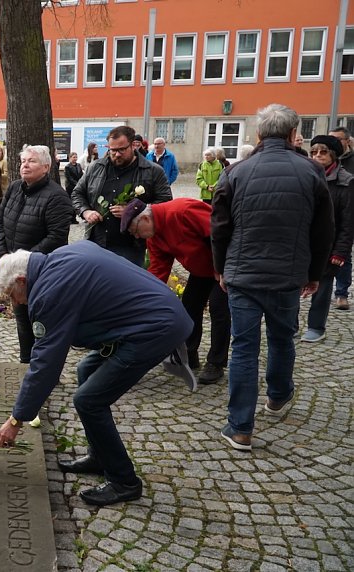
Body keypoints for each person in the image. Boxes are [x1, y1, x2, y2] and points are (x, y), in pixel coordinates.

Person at [0, 242, 193, 506]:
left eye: (11, 295)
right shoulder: (60, 258)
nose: (15, 303)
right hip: (153, 315)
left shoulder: (49, 292)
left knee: (89, 401)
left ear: (21, 279)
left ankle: (125, 481)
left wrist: (16, 420)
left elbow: (46, 365)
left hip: (154, 328)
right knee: (86, 369)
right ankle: (100, 456)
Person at [211, 103, 334, 452]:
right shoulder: (311, 171)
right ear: (295, 135)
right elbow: (323, 230)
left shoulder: (236, 171)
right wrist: (314, 274)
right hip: (287, 275)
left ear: (259, 134)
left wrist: (220, 268)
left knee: (244, 348)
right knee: (282, 339)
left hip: (243, 275)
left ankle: (240, 427)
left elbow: (219, 227)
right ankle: (278, 396)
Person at [122, 197, 231, 382]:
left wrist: (220, 269)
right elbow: (158, 271)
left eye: (135, 231)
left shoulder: (183, 211)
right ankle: (189, 353)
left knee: (218, 310)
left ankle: (216, 362)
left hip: (223, 264)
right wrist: (146, 300)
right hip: (201, 270)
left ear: (145, 219)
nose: (137, 237)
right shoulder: (154, 236)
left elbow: (219, 235)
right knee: (188, 308)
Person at [0, 145, 73, 364]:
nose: (25, 165)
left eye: (32, 161)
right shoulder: (15, 188)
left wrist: (23, 263)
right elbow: (0, 221)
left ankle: (44, 368)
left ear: (46, 167)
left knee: (41, 323)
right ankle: (26, 362)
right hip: (14, 269)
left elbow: (56, 237)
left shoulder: (56, 196)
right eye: (23, 161)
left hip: (39, 271)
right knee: (21, 317)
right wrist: (3, 256)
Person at [72, 125, 172, 267]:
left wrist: (134, 212)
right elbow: (77, 193)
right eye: (113, 150)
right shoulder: (95, 167)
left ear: (133, 146)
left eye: (121, 150)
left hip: (131, 245)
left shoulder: (153, 171)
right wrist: (85, 211)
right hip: (96, 241)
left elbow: (166, 204)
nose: (117, 154)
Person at [301, 135, 354, 343]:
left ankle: (316, 326)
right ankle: (292, 325)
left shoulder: (346, 182)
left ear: (333, 155)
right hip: (303, 241)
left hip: (328, 244)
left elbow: (349, 222)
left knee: (322, 286)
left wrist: (341, 251)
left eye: (323, 152)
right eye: (314, 152)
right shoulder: (305, 175)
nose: (317, 156)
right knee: (294, 284)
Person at [330, 126, 354, 310]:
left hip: (348, 211)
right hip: (330, 212)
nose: (335, 142)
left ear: (347, 141)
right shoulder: (327, 159)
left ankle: (341, 293)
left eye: (339, 139)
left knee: (344, 253)